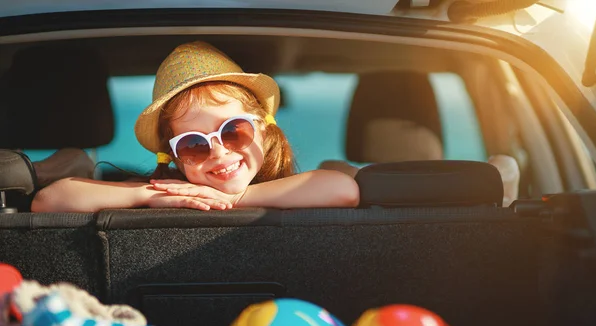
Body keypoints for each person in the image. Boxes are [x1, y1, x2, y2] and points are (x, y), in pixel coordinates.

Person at [31, 41, 359, 213]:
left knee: (335, 172)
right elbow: (50, 200)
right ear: (173, 158)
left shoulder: (308, 186)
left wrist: (235, 199)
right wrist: (150, 196)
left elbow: (344, 190)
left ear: (263, 126)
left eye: (233, 130)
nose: (218, 151)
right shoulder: (173, 196)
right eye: (194, 144)